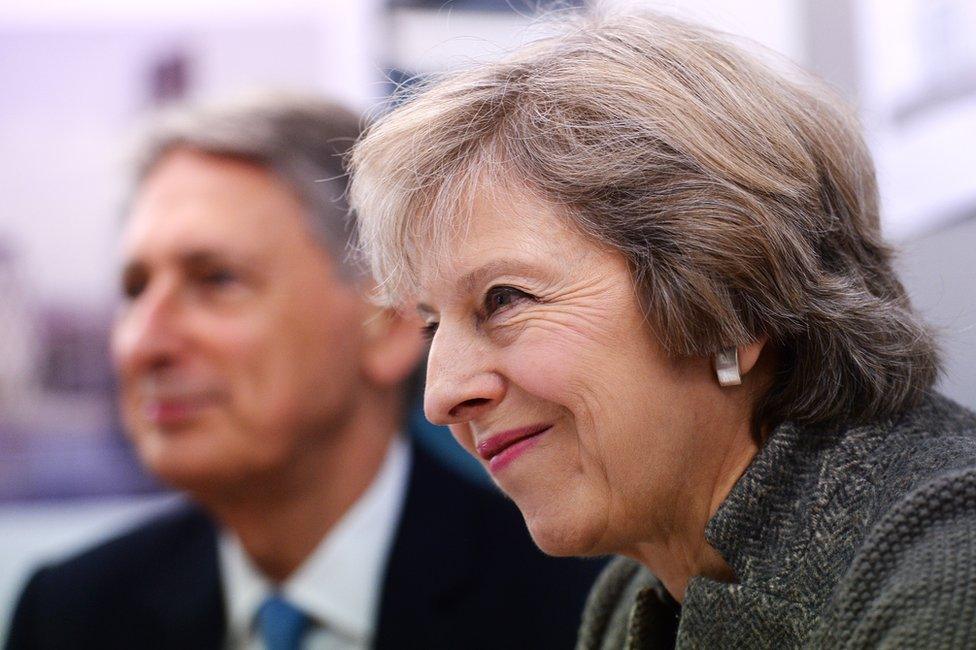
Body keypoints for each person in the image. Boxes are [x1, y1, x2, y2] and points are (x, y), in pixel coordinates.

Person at [346, 9, 976, 649]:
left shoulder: (947, 561)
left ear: (730, 300)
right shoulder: (631, 598)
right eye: (431, 325)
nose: (440, 396)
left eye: (503, 299)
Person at [5, 96, 603, 650]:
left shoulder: (585, 612)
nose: (144, 343)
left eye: (217, 280)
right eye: (135, 290)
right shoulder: (70, 615)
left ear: (390, 325)